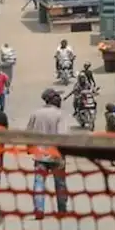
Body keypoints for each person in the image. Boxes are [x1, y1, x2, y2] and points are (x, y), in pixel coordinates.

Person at [26, 89, 69, 219]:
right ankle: (62, 210)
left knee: (39, 182)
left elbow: (29, 133)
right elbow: (63, 136)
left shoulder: (35, 113)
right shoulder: (60, 114)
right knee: (60, 182)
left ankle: (39, 209)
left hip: (39, 155)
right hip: (56, 155)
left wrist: (30, 148)